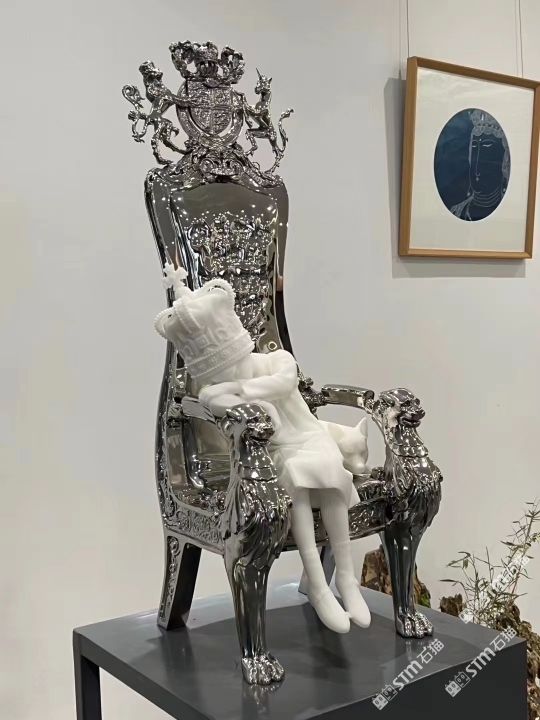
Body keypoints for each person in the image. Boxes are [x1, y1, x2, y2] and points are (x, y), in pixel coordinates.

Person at [155, 263, 371, 634]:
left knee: (332, 473)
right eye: (221, 374)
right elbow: (215, 402)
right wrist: (228, 391)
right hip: (271, 451)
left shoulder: (275, 359)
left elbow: (284, 383)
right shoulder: (211, 389)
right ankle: (318, 585)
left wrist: (241, 389)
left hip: (310, 435)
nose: (231, 376)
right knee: (297, 483)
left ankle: (346, 578)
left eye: (234, 366)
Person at [450, 109, 510, 221]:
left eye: (487, 147)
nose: (476, 167)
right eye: (474, 147)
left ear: (503, 158)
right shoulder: (457, 212)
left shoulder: (509, 214)